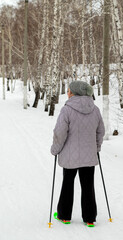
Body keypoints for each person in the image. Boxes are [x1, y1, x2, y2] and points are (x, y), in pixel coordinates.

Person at [51, 80, 105, 227]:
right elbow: (101, 131)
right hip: (89, 156)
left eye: (69, 90)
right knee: (88, 185)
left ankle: (64, 216)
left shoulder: (66, 109)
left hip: (70, 157)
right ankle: (89, 218)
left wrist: (55, 149)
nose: (67, 93)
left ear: (73, 93)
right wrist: (96, 147)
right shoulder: (95, 109)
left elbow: (59, 133)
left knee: (67, 184)